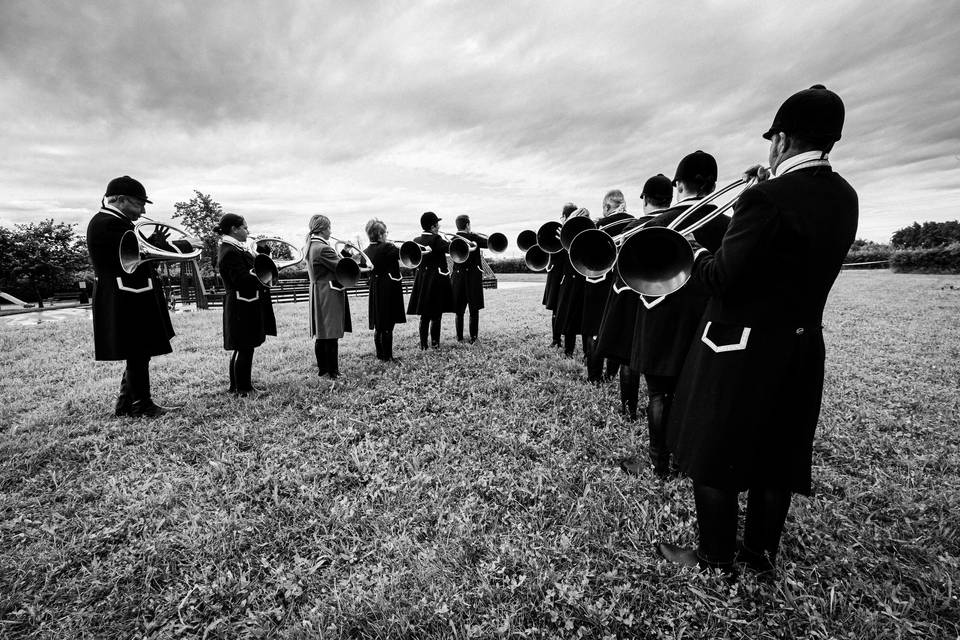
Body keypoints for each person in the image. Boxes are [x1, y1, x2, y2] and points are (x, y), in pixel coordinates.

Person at [656, 85, 858, 577]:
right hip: (801, 344)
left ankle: (716, 558)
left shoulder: (764, 198)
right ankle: (760, 555)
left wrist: (692, 252)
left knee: (712, 451)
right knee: (778, 456)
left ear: (781, 140)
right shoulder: (845, 195)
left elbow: (720, 278)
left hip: (738, 346)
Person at [623, 151, 730, 478]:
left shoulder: (655, 223)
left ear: (678, 184)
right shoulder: (730, 224)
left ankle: (659, 462)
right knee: (697, 393)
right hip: (707, 321)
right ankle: (688, 457)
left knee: (659, 393)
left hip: (660, 316)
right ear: (712, 184)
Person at [86, 176, 190, 418]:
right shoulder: (106, 223)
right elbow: (127, 258)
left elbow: (136, 252)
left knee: (139, 352)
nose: (143, 210)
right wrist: (156, 247)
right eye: (139, 203)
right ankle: (141, 404)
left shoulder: (117, 222)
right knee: (138, 351)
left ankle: (126, 405)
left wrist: (154, 244)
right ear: (120, 200)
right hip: (126, 295)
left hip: (133, 293)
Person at [596, 174, 673, 419]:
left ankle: (628, 410)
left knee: (630, 355)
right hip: (668, 301)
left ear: (645, 199)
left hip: (632, 298)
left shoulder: (633, 227)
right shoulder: (678, 223)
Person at [214, 213, 276, 397]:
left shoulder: (235, 248)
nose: (248, 231)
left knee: (243, 346)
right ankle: (244, 388)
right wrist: (264, 274)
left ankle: (238, 386)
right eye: (245, 227)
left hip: (244, 301)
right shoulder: (230, 251)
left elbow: (254, 264)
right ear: (234, 229)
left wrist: (264, 254)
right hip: (241, 303)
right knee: (245, 346)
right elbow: (241, 278)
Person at [582, 190, 634, 383]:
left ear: (606, 207)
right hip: (624, 285)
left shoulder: (598, 227)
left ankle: (594, 377)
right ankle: (610, 375)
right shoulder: (636, 222)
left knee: (594, 330)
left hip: (598, 284)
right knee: (617, 330)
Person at [306, 214, 352, 379]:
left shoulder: (311, 246)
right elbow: (342, 267)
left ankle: (323, 370)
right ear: (323, 229)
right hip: (328, 293)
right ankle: (332, 371)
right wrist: (360, 263)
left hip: (318, 292)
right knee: (331, 335)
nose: (331, 231)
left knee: (322, 335)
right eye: (329, 228)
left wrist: (344, 252)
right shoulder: (323, 248)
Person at [406, 211, 454, 349]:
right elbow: (451, 249)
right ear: (433, 226)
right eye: (437, 224)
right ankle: (435, 344)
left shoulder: (416, 241)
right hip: (436, 281)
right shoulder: (437, 239)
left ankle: (423, 345)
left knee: (425, 315)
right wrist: (451, 241)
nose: (439, 227)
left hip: (422, 281)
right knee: (436, 314)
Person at [363, 218, 406, 361]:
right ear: (380, 235)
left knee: (379, 324)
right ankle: (388, 357)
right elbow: (403, 253)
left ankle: (380, 355)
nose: (387, 235)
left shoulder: (366, 251)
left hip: (375, 288)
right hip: (388, 288)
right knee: (388, 323)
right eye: (385, 232)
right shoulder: (388, 247)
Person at [554, 207, 590, 358]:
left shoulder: (568, 234)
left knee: (571, 318)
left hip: (574, 281)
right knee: (583, 318)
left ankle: (569, 352)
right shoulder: (589, 233)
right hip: (583, 280)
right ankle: (587, 354)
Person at [543, 203, 578, 348]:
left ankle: (556, 340)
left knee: (559, 310)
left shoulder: (569, 231)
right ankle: (556, 339)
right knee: (559, 309)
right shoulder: (574, 231)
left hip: (563, 275)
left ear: (564, 216)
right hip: (561, 274)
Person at [451, 214, 489, 343]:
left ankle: (459, 337)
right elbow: (490, 243)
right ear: (467, 225)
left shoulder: (452, 239)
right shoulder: (474, 237)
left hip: (457, 276)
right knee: (474, 309)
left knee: (459, 310)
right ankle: (473, 337)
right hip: (473, 276)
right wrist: (480, 235)